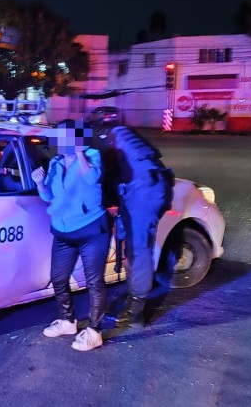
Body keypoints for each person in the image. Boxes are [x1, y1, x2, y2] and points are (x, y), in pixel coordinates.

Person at [31, 119, 110, 351]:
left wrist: (79, 153)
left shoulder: (92, 155)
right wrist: (39, 184)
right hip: (63, 231)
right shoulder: (55, 163)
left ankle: (95, 331)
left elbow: (91, 178)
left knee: (94, 281)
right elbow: (49, 197)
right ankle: (68, 321)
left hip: (91, 229)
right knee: (58, 277)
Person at [90, 121, 174, 328]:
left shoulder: (105, 140)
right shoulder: (120, 133)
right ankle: (134, 301)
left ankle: (136, 312)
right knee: (134, 248)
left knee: (138, 250)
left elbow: (100, 174)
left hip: (143, 191)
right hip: (146, 187)